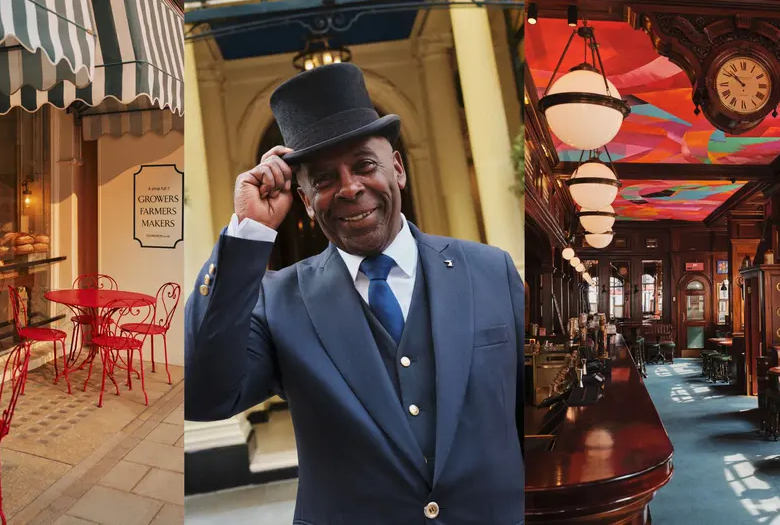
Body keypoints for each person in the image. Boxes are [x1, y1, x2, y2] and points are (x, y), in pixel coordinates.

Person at [185, 63, 525, 525]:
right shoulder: (279, 299)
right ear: (305, 201)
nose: (349, 188)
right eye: (323, 180)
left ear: (398, 170)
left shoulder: (491, 270)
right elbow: (205, 396)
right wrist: (247, 233)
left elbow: (532, 409)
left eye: (365, 165)